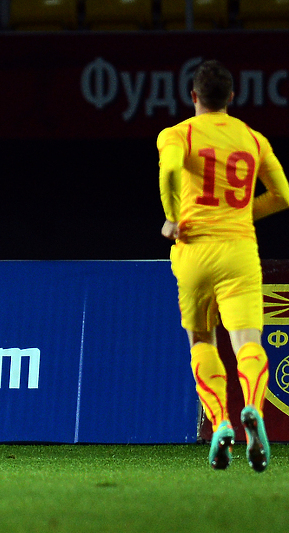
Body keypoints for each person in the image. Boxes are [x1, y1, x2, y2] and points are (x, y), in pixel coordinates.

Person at [159, 60, 289, 472]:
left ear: (194, 96)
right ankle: (252, 406)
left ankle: (220, 424)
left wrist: (173, 217)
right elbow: (283, 195)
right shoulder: (253, 139)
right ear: (232, 97)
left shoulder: (179, 134)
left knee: (202, 341)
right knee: (247, 341)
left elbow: (171, 171)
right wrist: (241, 215)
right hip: (238, 250)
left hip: (194, 250)